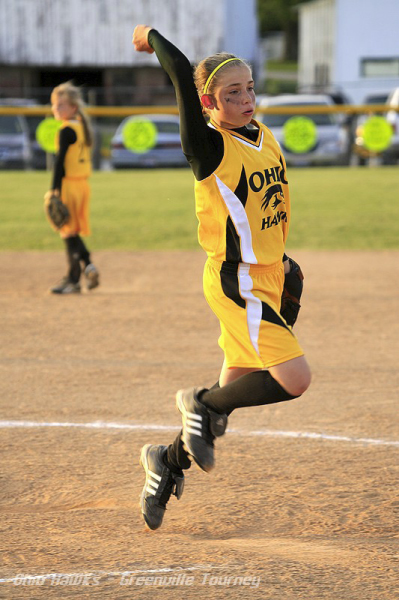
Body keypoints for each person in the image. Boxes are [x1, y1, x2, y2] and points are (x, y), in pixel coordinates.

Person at [132, 26, 312, 530]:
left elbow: (265, 209)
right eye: (232, 93)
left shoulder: (263, 134)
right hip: (237, 282)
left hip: (268, 276)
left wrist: (286, 264)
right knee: (293, 381)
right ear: (209, 102)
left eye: (250, 88)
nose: (246, 99)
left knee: (221, 408)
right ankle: (197, 402)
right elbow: (181, 77)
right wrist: (151, 37)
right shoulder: (208, 149)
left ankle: (165, 462)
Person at [44, 81, 99, 294]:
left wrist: (54, 190)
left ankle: (73, 279)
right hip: (82, 186)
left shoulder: (66, 129)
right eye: (54, 105)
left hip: (69, 186)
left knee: (68, 233)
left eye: (61, 105)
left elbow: (59, 162)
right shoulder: (81, 126)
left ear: (73, 107)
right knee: (72, 231)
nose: (55, 109)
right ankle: (86, 267)